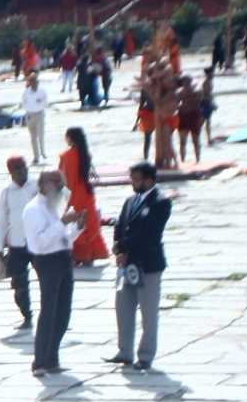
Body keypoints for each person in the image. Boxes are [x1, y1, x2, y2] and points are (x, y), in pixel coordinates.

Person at [108, 162, 171, 372]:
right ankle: (124, 351)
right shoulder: (130, 200)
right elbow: (120, 226)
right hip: (127, 264)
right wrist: (118, 248)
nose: (133, 183)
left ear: (149, 180)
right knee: (123, 307)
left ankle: (145, 355)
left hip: (148, 264)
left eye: (136, 179)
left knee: (148, 312)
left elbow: (149, 233)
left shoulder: (161, 202)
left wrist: (124, 246)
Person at [24, 168, 77, 376]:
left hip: (64, 258)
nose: (60, 186)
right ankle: (40, 361)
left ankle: (52, 359)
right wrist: (62, 222)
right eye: (55, 182)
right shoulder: (33, 209)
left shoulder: (56, 205)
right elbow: (40, 242)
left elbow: (64, 238)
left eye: (60, 181)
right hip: (47, 261)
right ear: (43, 185)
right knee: (48, 311)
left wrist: (77, 228)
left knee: (63, 312)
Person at [0, 155, 36, 333]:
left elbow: (59, 200)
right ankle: (27, 316)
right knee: (19, 284)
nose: (22, 171)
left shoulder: (37, 186)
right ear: (11, 172)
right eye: (17, 169)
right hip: (17, 245)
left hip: (38, 243)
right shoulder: (7, 192)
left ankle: (52, 313)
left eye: (24, 167)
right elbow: (1, 220)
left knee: (49, 281)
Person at [58, 128, 108, 268]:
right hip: (86, 194)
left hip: (72, 196)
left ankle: (77, 257)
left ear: (70, 138)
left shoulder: (65, 156)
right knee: (88, 225)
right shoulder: (86, 154)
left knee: (74, 226)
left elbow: (63, 180)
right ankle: (89, 256)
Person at [18, 69, 50, 165]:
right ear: (29, 82)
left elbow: (45, 102)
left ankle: (43, 152)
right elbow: (23, 103)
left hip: (40, 114)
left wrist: (39, 105)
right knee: (33, 137)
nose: (33, 84)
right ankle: (36, 156)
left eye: (35, 81)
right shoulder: (26, 92)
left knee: (41, 134)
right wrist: (27, 113)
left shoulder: (42, 91)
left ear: (38, 82)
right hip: (30, 115)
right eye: (31, 82)